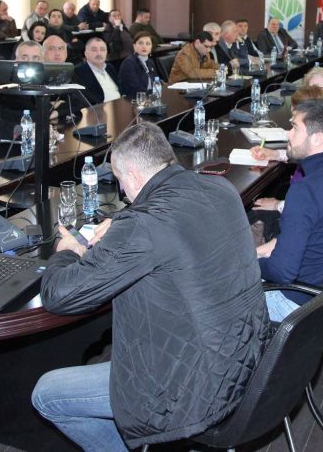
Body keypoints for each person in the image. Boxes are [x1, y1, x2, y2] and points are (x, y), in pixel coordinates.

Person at [32, 121, 270, 450]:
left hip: (194, 389)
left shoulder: (143, 227)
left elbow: (59, 296)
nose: (123, 192)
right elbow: (174, 229)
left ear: (131, 175)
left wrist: (67, 252)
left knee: (46, 394)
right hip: (249, 358)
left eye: (119, 181)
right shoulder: (221, 188)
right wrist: (122, 224)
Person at [252, 99, 323, 321]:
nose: (288, 134)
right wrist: (257, 252)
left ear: (317, 138)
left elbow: (282, 272)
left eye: (294, 127)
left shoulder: (305, 191)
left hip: (292, 304)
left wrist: (246, 263)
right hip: (321, 296)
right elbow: (309, 236)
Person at [75, 36, 121, 105]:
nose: (99, 53)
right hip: (99, 109)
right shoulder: (79, 72)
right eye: (94, 50)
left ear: (106, 52)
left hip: (120, 105)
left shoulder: (110, 67)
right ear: (86, 54)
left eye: (102, 50)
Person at [118, 33, 155, 97]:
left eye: (148, 44)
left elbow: (156, 81)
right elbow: (135, 90)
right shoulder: (129, 63)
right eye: (141, 43)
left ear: (151, 47)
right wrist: (153, 92)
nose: (144, 46)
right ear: (134, 46)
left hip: (150, 97)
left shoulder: (150, 62)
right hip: (134, 99)